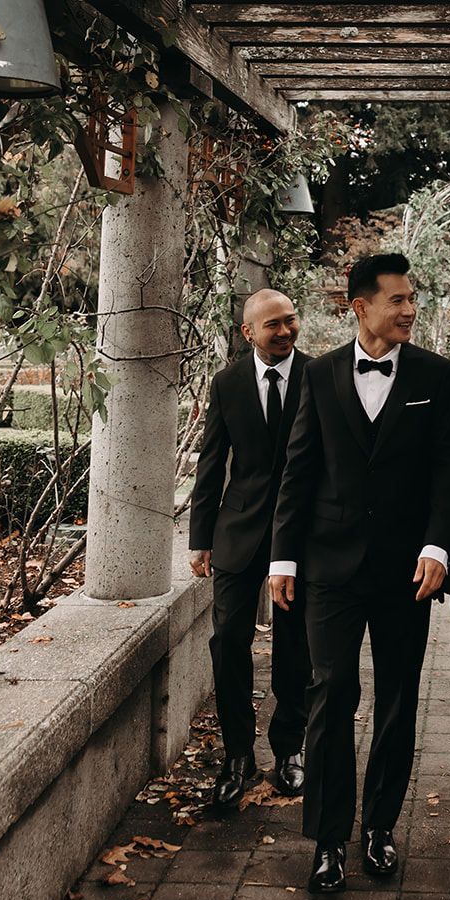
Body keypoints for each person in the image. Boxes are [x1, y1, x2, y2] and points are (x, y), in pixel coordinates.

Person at [269, 252, 450, 896]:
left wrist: (438, 547)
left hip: (408, 571)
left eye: (413, 300)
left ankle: (379, 828)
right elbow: (298, 472)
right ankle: (327, 839)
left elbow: (448, 474)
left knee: (399, 699)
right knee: (330, 694)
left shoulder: (438, 376)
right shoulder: (321, 375)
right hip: (329, 566)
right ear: (361, 305)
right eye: (398, 300)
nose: (410, 309)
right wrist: (282, 557)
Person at [188, 287, 312, 807]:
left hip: (300, 531)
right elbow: (212, 461)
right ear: (248, 334)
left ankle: (289, 750)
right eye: (273, 325)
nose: (285, 331)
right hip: (237, 531)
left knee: (295, 645)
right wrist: (200, 539)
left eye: (290, 321)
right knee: (227, 643)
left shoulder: (317, 375)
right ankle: (238, 754)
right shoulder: (227, 383)